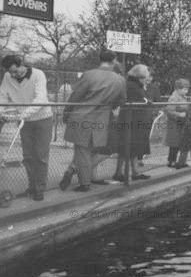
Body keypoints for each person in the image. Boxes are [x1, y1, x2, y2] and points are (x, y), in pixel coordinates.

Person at [62, 51, 127, 192]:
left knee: (81, 150)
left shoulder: (89, 74)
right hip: (102, 118)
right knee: (91, 150)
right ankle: (83, 179)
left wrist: (66, 113)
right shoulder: (120, 79)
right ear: (114, 60)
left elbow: (76, 96)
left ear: (100, 59)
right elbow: (121, 101)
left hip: (81, 116)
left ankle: (84, 183)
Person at [0, 55, 53, 201]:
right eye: (10, 72)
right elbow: (3, 97)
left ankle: (39, 189)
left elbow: (40, 99)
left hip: (43, 119)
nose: (13, 75)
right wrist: (2, 111)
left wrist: (22, 114)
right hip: (24, 122)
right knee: (28, 157)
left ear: (22, 64)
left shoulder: (38, 74)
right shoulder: (7, 76)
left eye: (15, 71)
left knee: (40, 156)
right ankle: (32, 187)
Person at [113, 64, 153, 181]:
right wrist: (146, 101)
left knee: (133, 147)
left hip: (134, 120)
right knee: (126, 146)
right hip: (131, 120)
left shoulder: (134, 84)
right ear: (140, 76)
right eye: (145, 76)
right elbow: (139, 99)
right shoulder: (132, 86)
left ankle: (133, 172)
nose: (147, 78)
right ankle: (120, 173)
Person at [164, 79, 189, 168]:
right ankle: (171, 161)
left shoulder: (183, 97)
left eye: (187, 89)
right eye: (184, 89)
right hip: (174, 123)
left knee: (179, 142)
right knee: (174, 143)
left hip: (181, 122)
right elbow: (169, 110)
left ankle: (179, 161)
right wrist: (179, 114)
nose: (186, 91)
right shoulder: (174, 97)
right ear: (178, 89)